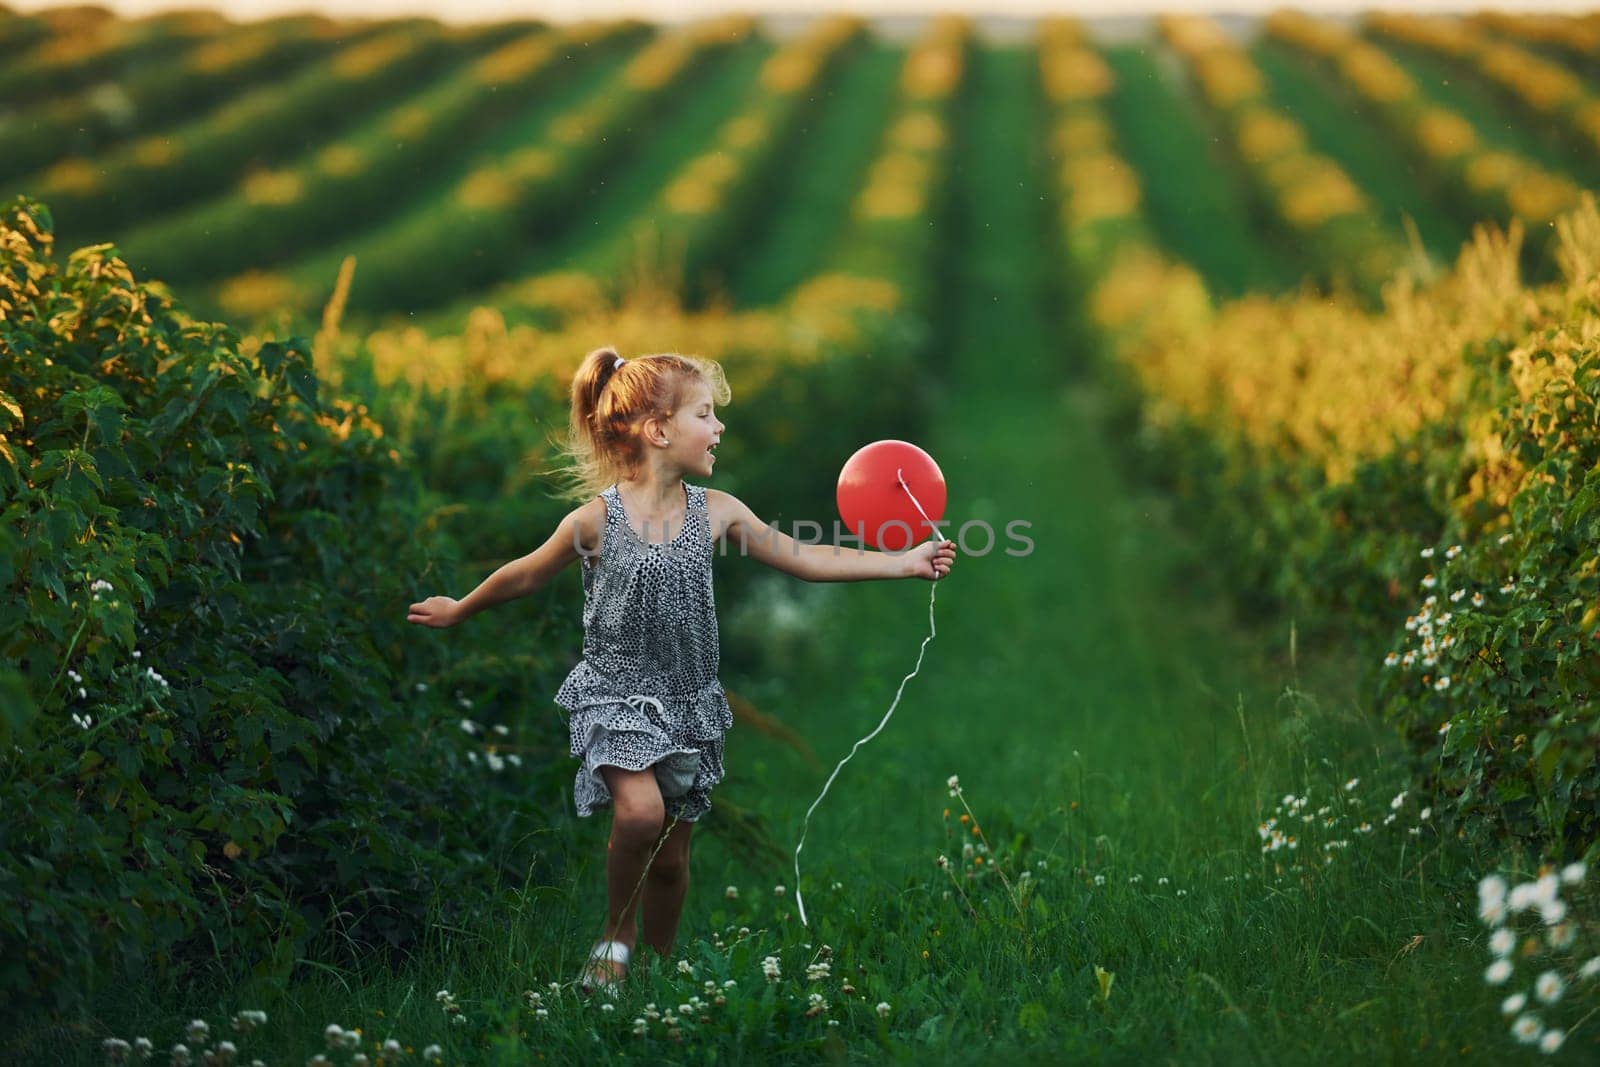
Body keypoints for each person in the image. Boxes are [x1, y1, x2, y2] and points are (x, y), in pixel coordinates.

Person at [406, 346, 956, 997]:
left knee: (671, 860)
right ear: (657, 429)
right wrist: (462, 607)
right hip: (616, 697)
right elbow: (525, 572)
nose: (718, 427)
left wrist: (905, 562)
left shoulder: (717, 511)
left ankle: (658, 975)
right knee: (639, 815)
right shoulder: (595, 520)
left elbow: (805, 556)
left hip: (689, 703)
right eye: (705, 413)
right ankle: (616, 935)